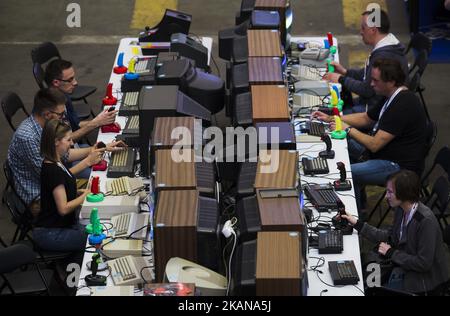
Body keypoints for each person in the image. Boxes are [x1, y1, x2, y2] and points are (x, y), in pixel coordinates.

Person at [313, 58, 427, 210]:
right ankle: (360, 204)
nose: (371, 84)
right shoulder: (391, 96)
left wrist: (347, 129)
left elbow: (374, 145)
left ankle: (355, 219)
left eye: (375, 80)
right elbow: (366, 118)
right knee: (343, 141)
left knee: (345, 174)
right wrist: (333, 119)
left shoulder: (403, 104)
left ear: (391, 81)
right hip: (384, 152)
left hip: (398, 166)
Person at [7, 88, 125, 214]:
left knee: (102, 186)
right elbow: (52, 178)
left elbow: (64, 156)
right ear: (47, 115)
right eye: (61, 114)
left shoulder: (47, 126)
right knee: (101, 201)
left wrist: (101, 147)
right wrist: (87, 162)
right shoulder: (27, 138)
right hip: (40, 199)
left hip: (56, 185)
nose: (64, 118)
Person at [341, 170, 449, 295]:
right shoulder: (401, 209)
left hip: (423, 280)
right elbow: (388, 236)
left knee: (373, 289)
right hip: (402, 264)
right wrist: (357, 224)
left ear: (404, 194)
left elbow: (423, 263)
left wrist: (391, 253)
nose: (386, 196)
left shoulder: (425, 221)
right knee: (367, 282)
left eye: (390, 192)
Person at [323, 9, 408, 113]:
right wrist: (345, 72)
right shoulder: (388, 46)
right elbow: (366, 74)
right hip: (372, 102)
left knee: (330, 115)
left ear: (373, 30)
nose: (361, 32)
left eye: (363, 28)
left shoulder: (384, 56)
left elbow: (367, 90)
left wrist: (341, 79)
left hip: (375, 109)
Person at [32, 120, 90, 252]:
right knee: (95, 238)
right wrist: (85, 196)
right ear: (56, 142)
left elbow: (60, 192)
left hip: (61, 226)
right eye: (68, 140)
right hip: (51, 234)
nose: (72, 143)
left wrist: (77, 192)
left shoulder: (56, 162)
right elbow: (63, 209)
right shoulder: (53, 170)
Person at [45, 59, 118, 143]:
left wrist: (101, 120)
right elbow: (65, 141)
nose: (75, 83)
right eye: (70, 80)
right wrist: (96, 123)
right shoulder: (51, 111)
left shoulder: (64, 96)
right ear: (56, 82)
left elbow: (76, 125)